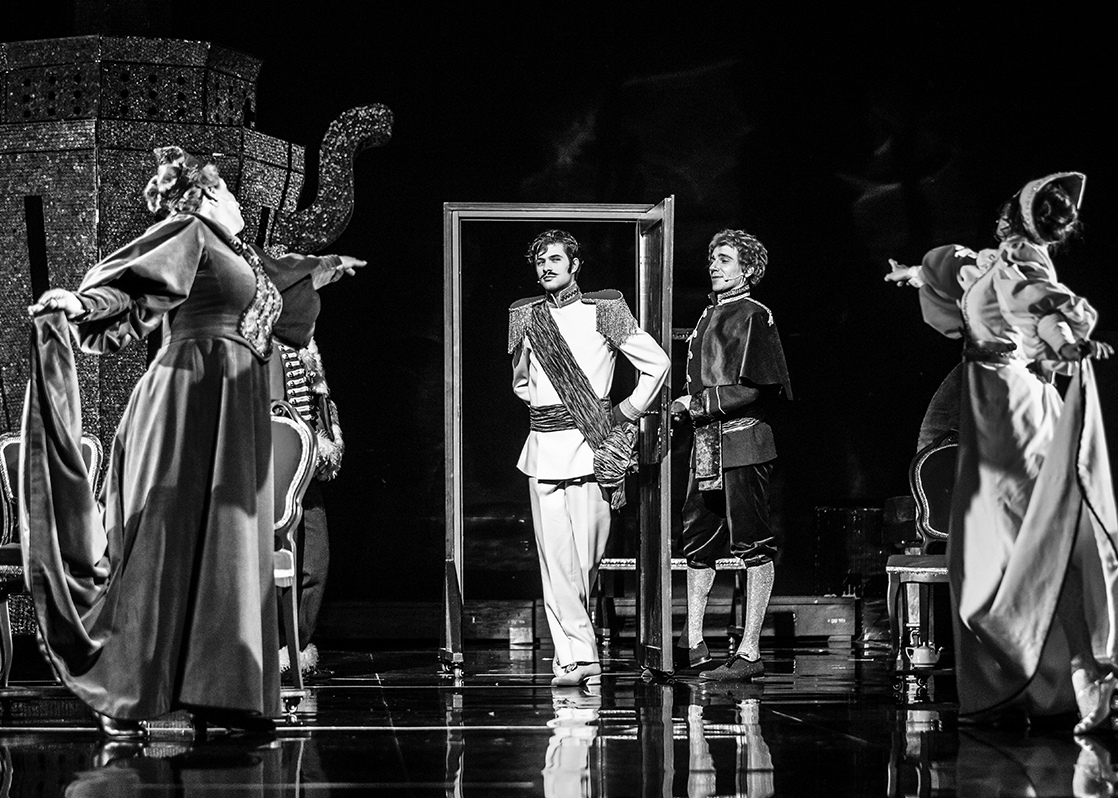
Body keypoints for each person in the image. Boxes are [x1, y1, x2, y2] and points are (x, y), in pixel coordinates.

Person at [22, 146, 363, 739]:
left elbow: (280, 288)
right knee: (169, 538)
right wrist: (81, 303)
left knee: (226, 547)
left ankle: (221, 690)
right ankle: (130, 682)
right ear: (205, 197)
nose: (237, 200)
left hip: (231, 406)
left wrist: (325, 266)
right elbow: (136, 284)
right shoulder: (191, 231)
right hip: (189, 398)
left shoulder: (239, 254)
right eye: (227, 190)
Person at [886, 172, 1117, 732]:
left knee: (1027, 534)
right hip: (988, 397)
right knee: (991, 541)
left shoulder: (1022, 260)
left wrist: (1067, 344)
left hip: (1012, 400)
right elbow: (960, 279)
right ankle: (1020, 680)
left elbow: (1040, 306)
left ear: (1015, 214)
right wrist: (913, 273)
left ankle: (1072, 678)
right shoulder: (995, 260)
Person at [510, 229, 670, 687]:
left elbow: (657, 364)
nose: (546, 267)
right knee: (553, 562)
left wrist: (624, 413)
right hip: (543, 449)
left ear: (575, 265)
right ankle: (577, 658)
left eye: (555, 259)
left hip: (592, 447)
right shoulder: (526, 316)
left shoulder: (605, 310)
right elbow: (521, 383)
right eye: (540, 261)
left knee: (583, 562)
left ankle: (576, 654)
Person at [672, 229, 791, 681]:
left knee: (752, 542)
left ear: (748, 269)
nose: (714, 266)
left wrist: (695, 404)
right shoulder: (709, 313)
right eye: (713, 258)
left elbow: (756, 387)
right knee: (698, 542)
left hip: (743, 442)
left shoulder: (755, 315)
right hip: (706, 445)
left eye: (725, 259)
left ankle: (750, 651)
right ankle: (693, 642)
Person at [269, 334, 344, 677]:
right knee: (273, 560)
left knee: (315, 558)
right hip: (273, 469)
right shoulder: (260, 344)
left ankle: (296, 645)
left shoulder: (304, 347)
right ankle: (273, 645)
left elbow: (318, 405)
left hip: (307, 465)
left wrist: (325, 443)